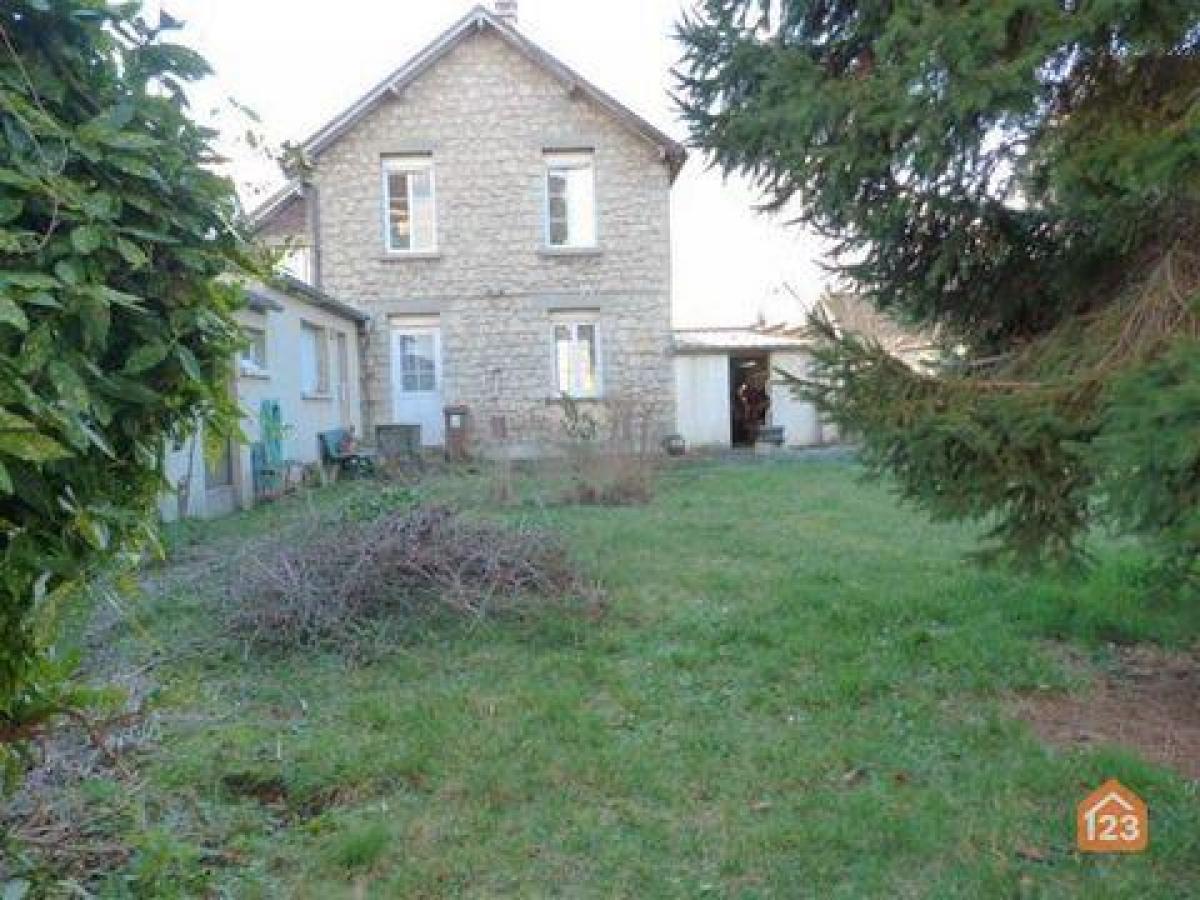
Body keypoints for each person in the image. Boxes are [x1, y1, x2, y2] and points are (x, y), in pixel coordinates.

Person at [737, 371, 771, 445]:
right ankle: (751, 440)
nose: (755, 382)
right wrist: (745, 404)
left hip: (757, 411)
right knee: (750, 426)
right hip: (751, 411)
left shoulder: (761, 390)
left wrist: (762, 406)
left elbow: (766, 400)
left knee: (757, 425)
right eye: (752, 380)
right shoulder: (746, 388)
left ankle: (755, 440)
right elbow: (740, 394)